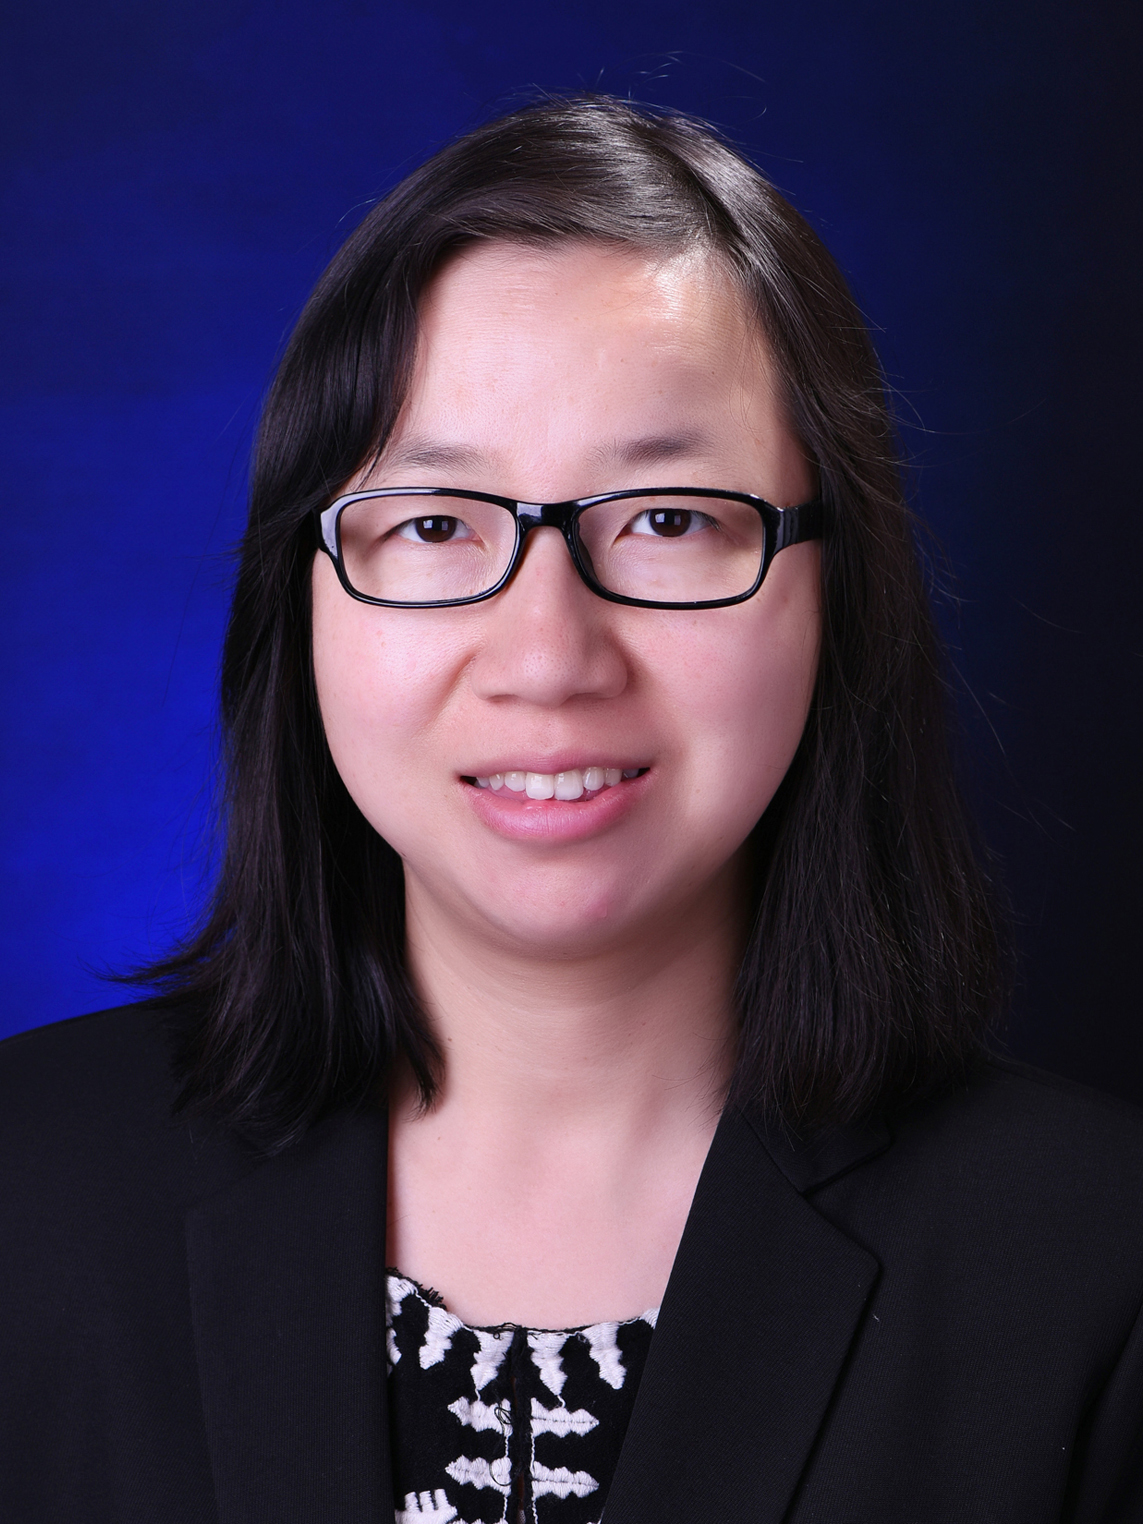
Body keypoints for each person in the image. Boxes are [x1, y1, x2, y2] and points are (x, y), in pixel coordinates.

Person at [2, 95, 1142, 1524]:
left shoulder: (1101, 1274)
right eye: (435, 525)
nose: (548, 657)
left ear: (837, 599)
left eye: (668, 520)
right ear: (303, 610)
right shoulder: (25, 1197)